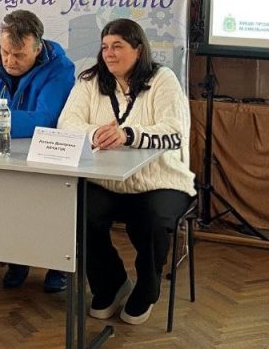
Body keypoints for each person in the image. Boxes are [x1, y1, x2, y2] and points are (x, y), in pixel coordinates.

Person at [57, 18, 195, 325]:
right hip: (105, 181)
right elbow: (66, 123)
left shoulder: (163, 79)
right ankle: (111, 283)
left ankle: (147, 288)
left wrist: (128, 134)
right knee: (80, 213)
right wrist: (95, 133)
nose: (109, 53)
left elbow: (174, 132)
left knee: (151, 219)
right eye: (105, 47)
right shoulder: (90, 81)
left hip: (159, 180)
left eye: (117, 46)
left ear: (138, 49)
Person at [0, 9, 75, 293]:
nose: (9, 61)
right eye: (5, 52)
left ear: (38, 49)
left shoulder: (60, 68)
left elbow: (46, 118)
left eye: (19, 55)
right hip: (0, 154)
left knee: (50, 200)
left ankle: (58, 264)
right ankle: (17, 258)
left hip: (46, 156)